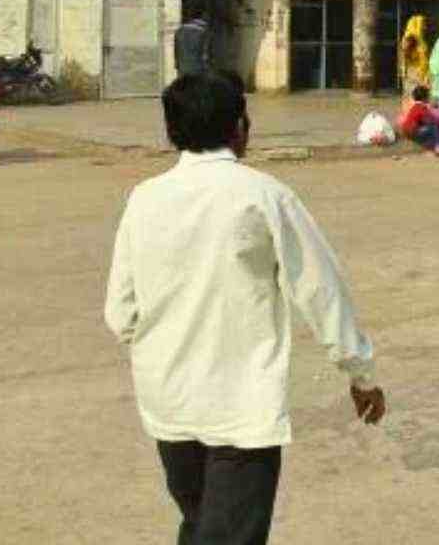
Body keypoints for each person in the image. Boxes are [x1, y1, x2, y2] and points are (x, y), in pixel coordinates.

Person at [105, 71, 384, 545]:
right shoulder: (264, 196)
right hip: (240, 408)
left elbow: (120, 314)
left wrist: (168, 345)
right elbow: (321, 291)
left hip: (168, 402)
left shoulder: (144, 199)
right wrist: (361, 375)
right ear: (241, 127)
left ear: (172, 132)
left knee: (199, 526)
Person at [397, 84, 439, 153]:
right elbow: (428, 120)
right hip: (413, 132)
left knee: (430, 127)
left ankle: (430, 145)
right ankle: (437, 147)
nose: (429, 98)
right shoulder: (422, 107)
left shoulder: (414, 106)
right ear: (424, 98)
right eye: (428, 96)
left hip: (407, 131)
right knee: (433, 127)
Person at [173, 7, 212, 77]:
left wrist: (178, 66)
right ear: (203, 15)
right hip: (197, 70)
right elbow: (205, 55)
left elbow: (176, 52)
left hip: (182, 69)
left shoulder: (180, 30)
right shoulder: (203, 32)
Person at [397, 15, 429, 98]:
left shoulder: (418, 38)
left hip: (416, 72)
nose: (425, 27)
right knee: (413, 95)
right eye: (423, 24)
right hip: (414, 72)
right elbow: (405, 57)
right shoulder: (410, 38)